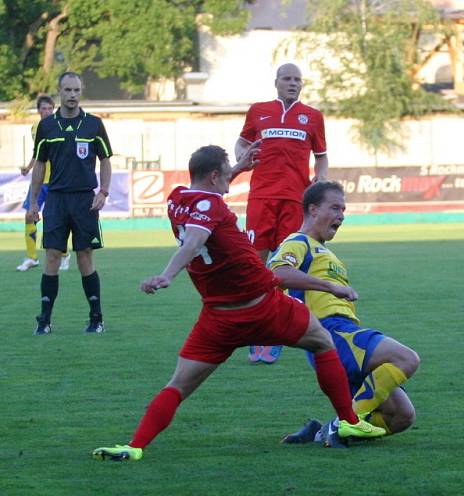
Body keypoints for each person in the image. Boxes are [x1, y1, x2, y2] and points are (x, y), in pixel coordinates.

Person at [92, 146, 384, 462]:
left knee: (178, 385)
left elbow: (202, 209)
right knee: (323, 343)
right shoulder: (211, 207)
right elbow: (194, 240)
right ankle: (350, 422)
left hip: (217, 319)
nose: (231, 177)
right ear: (215, 175)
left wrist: (241, 166)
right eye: (227, 171)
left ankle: (135, 446)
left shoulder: (177, 199)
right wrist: (166, 275)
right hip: (263, 307)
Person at [269, 181, 420, 448]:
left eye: (344, 209)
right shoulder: (298, 241)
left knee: (402, 417)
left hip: (344, 333)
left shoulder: (325, 252)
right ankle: (346, 423)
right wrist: (329, 285)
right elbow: (277, 273)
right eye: (335, 207)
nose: (341, 215)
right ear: (313, 209)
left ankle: (321, 432)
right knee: (406, 358)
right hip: (331, 331)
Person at [235, 62, 329, 364]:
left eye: (297, 79)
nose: (292, 83)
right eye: (287, 79)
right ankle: (255, 329)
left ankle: (276, 332)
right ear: (276, 82)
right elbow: (242, 141)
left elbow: (322, 156)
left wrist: (322, 180)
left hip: (294, 199)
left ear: (302, 84)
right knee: (256, 263)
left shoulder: (313, 116)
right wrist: (242, 157)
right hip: (261, 196)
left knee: (287, 265)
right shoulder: (258, 110)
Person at [27, 73, 112, 335]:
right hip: (56, 200)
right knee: (51, 256)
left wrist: (103, 192)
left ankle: (96, 318)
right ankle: (44, 320)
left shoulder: (94, 124)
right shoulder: (47, 127)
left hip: (85, 200)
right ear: (59, 91)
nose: (72, 95)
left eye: (76, 90)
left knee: (85, 257)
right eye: (67, 90)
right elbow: (39, 165)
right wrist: (33, 203)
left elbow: (106, 159)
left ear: (81, 91)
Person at [17, 95, 71, 272]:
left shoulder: (61, 126)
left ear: (53, 109)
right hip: (39, 181)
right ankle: (32, 257)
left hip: (56, 181)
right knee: (29, 215)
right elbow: (38, 153)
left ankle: (64, 254)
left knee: (57, 219)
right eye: (43, 108)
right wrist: (28, 167)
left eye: (49, 108)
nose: (46, 111)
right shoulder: (35, 128)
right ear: (38, 110)